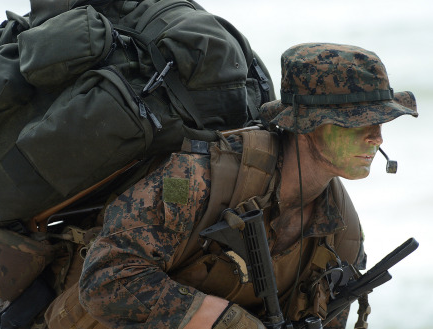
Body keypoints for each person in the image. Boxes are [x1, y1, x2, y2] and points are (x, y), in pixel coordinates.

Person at [78, 43, 418, 329]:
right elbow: (105, 281)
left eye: (379, 120)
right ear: (307, 124)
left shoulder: (341, 237)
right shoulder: (199, 179)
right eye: (357, 122)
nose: (376, 136)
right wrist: (228, 322)